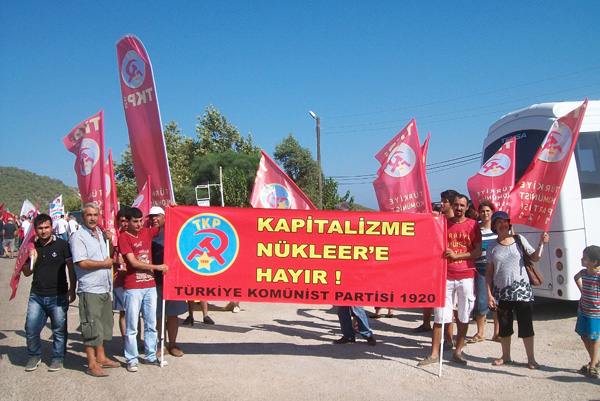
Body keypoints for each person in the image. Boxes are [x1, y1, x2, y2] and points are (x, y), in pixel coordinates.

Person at [419, 194, 482, 367]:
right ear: (452, 206)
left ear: (467, 207)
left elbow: (477, 252)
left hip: (466, 277)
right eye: (456, 205)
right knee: (440, 316)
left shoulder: (473, 225)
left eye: (462, 205)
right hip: (445, 277)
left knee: (463, 316)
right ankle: (433, 353)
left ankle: (458, 351)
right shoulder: (443, 223)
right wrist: (430, 219)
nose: (459, 208)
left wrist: (457, 255)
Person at [486, 211, 548, 369]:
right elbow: (489, 272)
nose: (503, 224)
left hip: (522, 292)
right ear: (494, 226)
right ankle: (506, 356)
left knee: (526, 325)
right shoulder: (492, 247)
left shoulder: (519, 240)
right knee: (505, 327)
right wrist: (489, 294)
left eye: (505, 221)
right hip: (502, 293)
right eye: (499, 222)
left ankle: (531, 359)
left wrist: (542, 243)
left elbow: (535, 257)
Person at [70, 202, 120, 377]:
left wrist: (109, 241)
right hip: (90, 288)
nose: (92, 218)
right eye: (89, 215)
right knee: (91, 327)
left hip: (104, 287)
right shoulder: (78, 236)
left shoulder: (99, 233)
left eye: (95, 215)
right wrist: (105, 264)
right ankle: (91, 364)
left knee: (102, 325)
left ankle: (101, 357)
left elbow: (109, 255)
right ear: (82, 217)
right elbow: (82, 262)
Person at [21, 214, 76, 372]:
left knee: (59, 329)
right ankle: (34, 355)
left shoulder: (62, 245)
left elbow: (71, 268)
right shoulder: (31, 247)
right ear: (35, 230)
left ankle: (58, 357)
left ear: (52, 227)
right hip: (37, 295)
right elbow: (26, 273)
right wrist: (32, 259)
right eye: (40, 228)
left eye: (46, 227)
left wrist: (72, 289)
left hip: (58, 295)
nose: (43, 231)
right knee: (31, 328)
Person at [118, 207, 168, 372]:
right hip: (133, 287)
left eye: (141, 221)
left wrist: (171, 208)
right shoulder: (124, 238)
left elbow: (166, 223)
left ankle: (151, 354)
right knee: (132, 326)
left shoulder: (147, 232)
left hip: (150, 286)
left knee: (151, 323)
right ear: (128, 222)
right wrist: (157, 267)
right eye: (135, 221)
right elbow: (133, 263)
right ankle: (131, 358)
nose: (139, 224)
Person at [413, 189, 458, 335]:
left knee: (449, 306)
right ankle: (427, 324)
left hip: (452, 269)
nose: (441, 204)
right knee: (429, 297)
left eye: (445, 201)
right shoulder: (438, 219)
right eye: (442, 200)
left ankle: (450, 338)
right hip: (434, 267)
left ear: (452, 204)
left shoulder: (455, 223)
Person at [332, 202, 376, 346]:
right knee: (342, 309)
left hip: (354, 275)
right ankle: (348, 335)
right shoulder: (333, 231)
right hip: (339, 275)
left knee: (356, 306)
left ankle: (367, 335)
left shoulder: (356, 230)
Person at [149, 206, 188, 357]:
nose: (153, 219)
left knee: (172, 315)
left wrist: (175, 208)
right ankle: (161, 345)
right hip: (154, 281)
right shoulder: (148, 234)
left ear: (165, 217)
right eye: (151, 217)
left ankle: (173, 344)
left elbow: (186, 220)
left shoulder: (175, 232)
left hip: (172, 281)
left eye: (156, 216)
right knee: (158, 315)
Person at [467, 201, 499, 344]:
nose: (485, 214)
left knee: (497, 302)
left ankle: (497, 333)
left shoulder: (498, 228)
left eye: (488, 211)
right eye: (483, 211)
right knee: (481, 301)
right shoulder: (475, 228)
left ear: (492, 212)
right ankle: (480, 333)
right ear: (479, 213)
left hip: (498, 271)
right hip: (480, 270)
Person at [574, 245, 600, 378]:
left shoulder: (598, 275)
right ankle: (594, 360)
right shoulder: (583, 273)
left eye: (585, 258)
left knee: (594, 338)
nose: (582, 260)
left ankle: (593, 366)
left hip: (595, 313)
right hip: (583, 309)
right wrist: (583, 291)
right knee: (584, 336)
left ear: (594, 262)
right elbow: (575, 277)